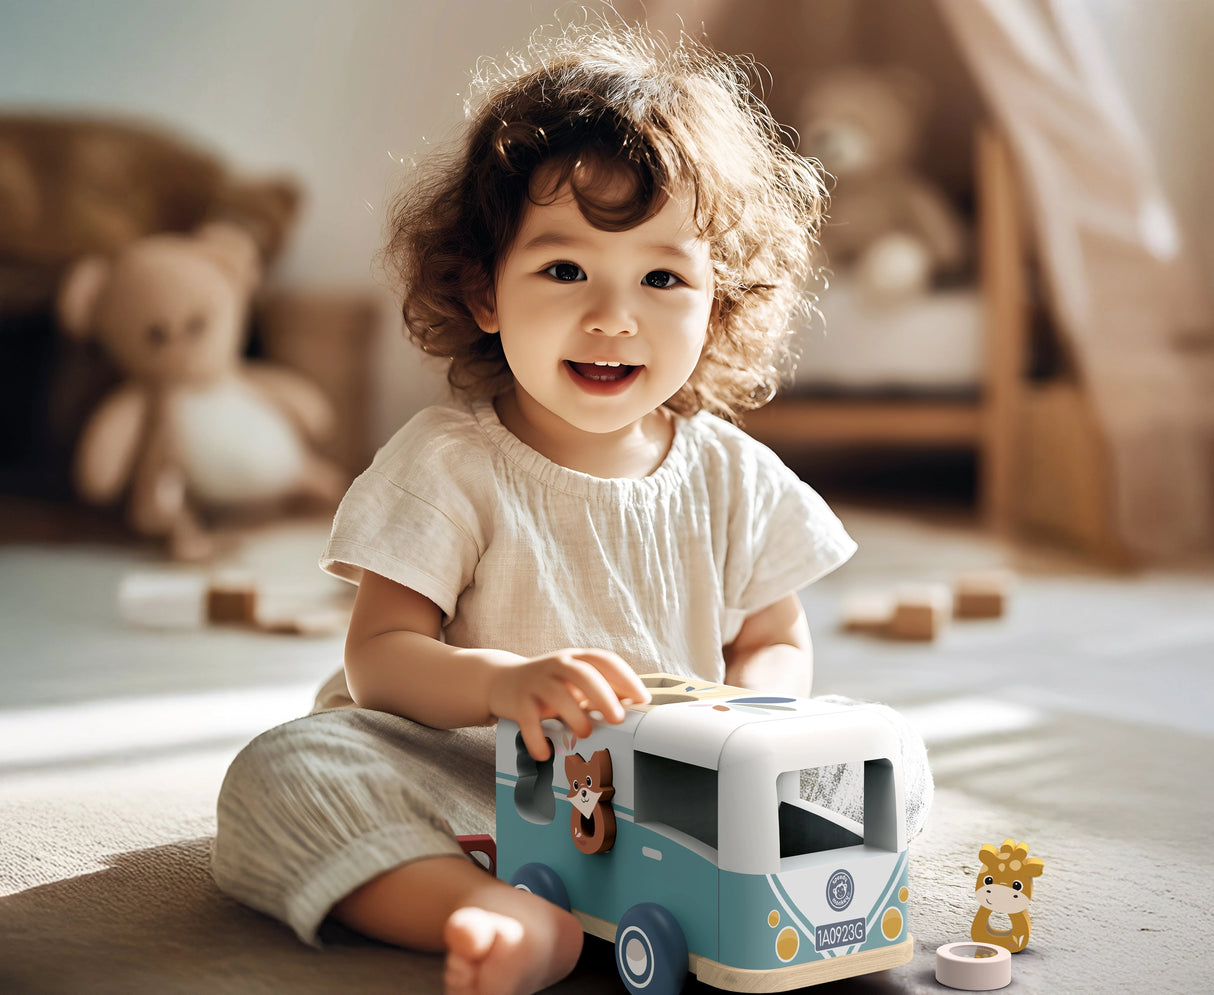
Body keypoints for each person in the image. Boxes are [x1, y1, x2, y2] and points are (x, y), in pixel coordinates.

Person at [212, 17, 932, 995]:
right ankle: (494, 909)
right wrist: (504, 685)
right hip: (468, 776)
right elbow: (377, 658)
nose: (612, 314)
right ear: (482, 291)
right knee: (282, 771)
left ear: (717, 304)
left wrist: (766, 717)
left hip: (671, 796)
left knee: (887, 755)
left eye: (662, 277)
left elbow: (772, 635)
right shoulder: (448, 459)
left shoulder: (732, 472)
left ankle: (726, 889)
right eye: (563, 269)